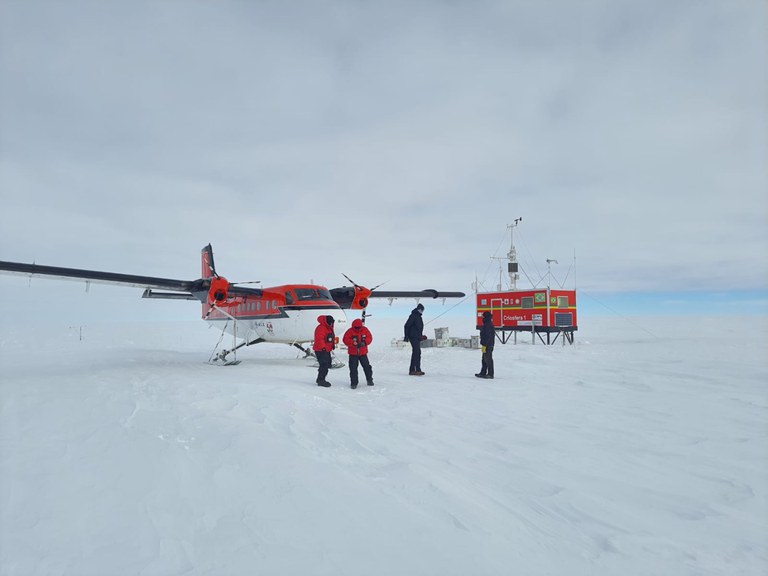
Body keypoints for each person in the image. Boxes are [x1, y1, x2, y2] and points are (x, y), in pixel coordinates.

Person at [342, 318, 374, 389]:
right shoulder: (350, 331)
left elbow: (370, 338)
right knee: (353, 369)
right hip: (353, 354)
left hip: (363, 353)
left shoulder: (365, 330)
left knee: (367, 367)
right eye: (356, 327)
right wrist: (353, 343)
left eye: (359, 327)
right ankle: (354, 383)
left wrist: (364, 343)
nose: (357, 329)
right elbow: (345, 339)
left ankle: (369, 380)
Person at [404, 303, 427, 375]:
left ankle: (413, 370)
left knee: (416, 353)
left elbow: (417, 329)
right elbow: (406, 326)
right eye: (421, 310)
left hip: (417, 338)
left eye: (422, 310)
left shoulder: (419, 317)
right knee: (417, 353)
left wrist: (421, 336)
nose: (421, 311)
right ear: (418, 309)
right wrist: (406, 336)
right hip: (413, 337)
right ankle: (417, 369)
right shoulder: (413, 316)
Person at [313, 315, 336, 387]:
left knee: (327, 364)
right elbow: (320, 339)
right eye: (331, 322)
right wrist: (322, 348)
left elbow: (330, 337)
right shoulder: (321, 328)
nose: (332, 324)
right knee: (324, 365)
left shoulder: (329, 327)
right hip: (321, 350)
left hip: (326, 349)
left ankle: (320, 378)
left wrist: (332, 345)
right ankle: (321, 380)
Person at [476, 311, 495, 379]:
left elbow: (487, 336)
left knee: (488, 359)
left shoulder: (488, 324)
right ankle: (483, 372)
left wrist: (484, 345)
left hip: (488, 345)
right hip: (487, 344)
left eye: (483, 316)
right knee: (484, 359)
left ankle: (490, 374)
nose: (482, 317)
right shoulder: (487, 323)